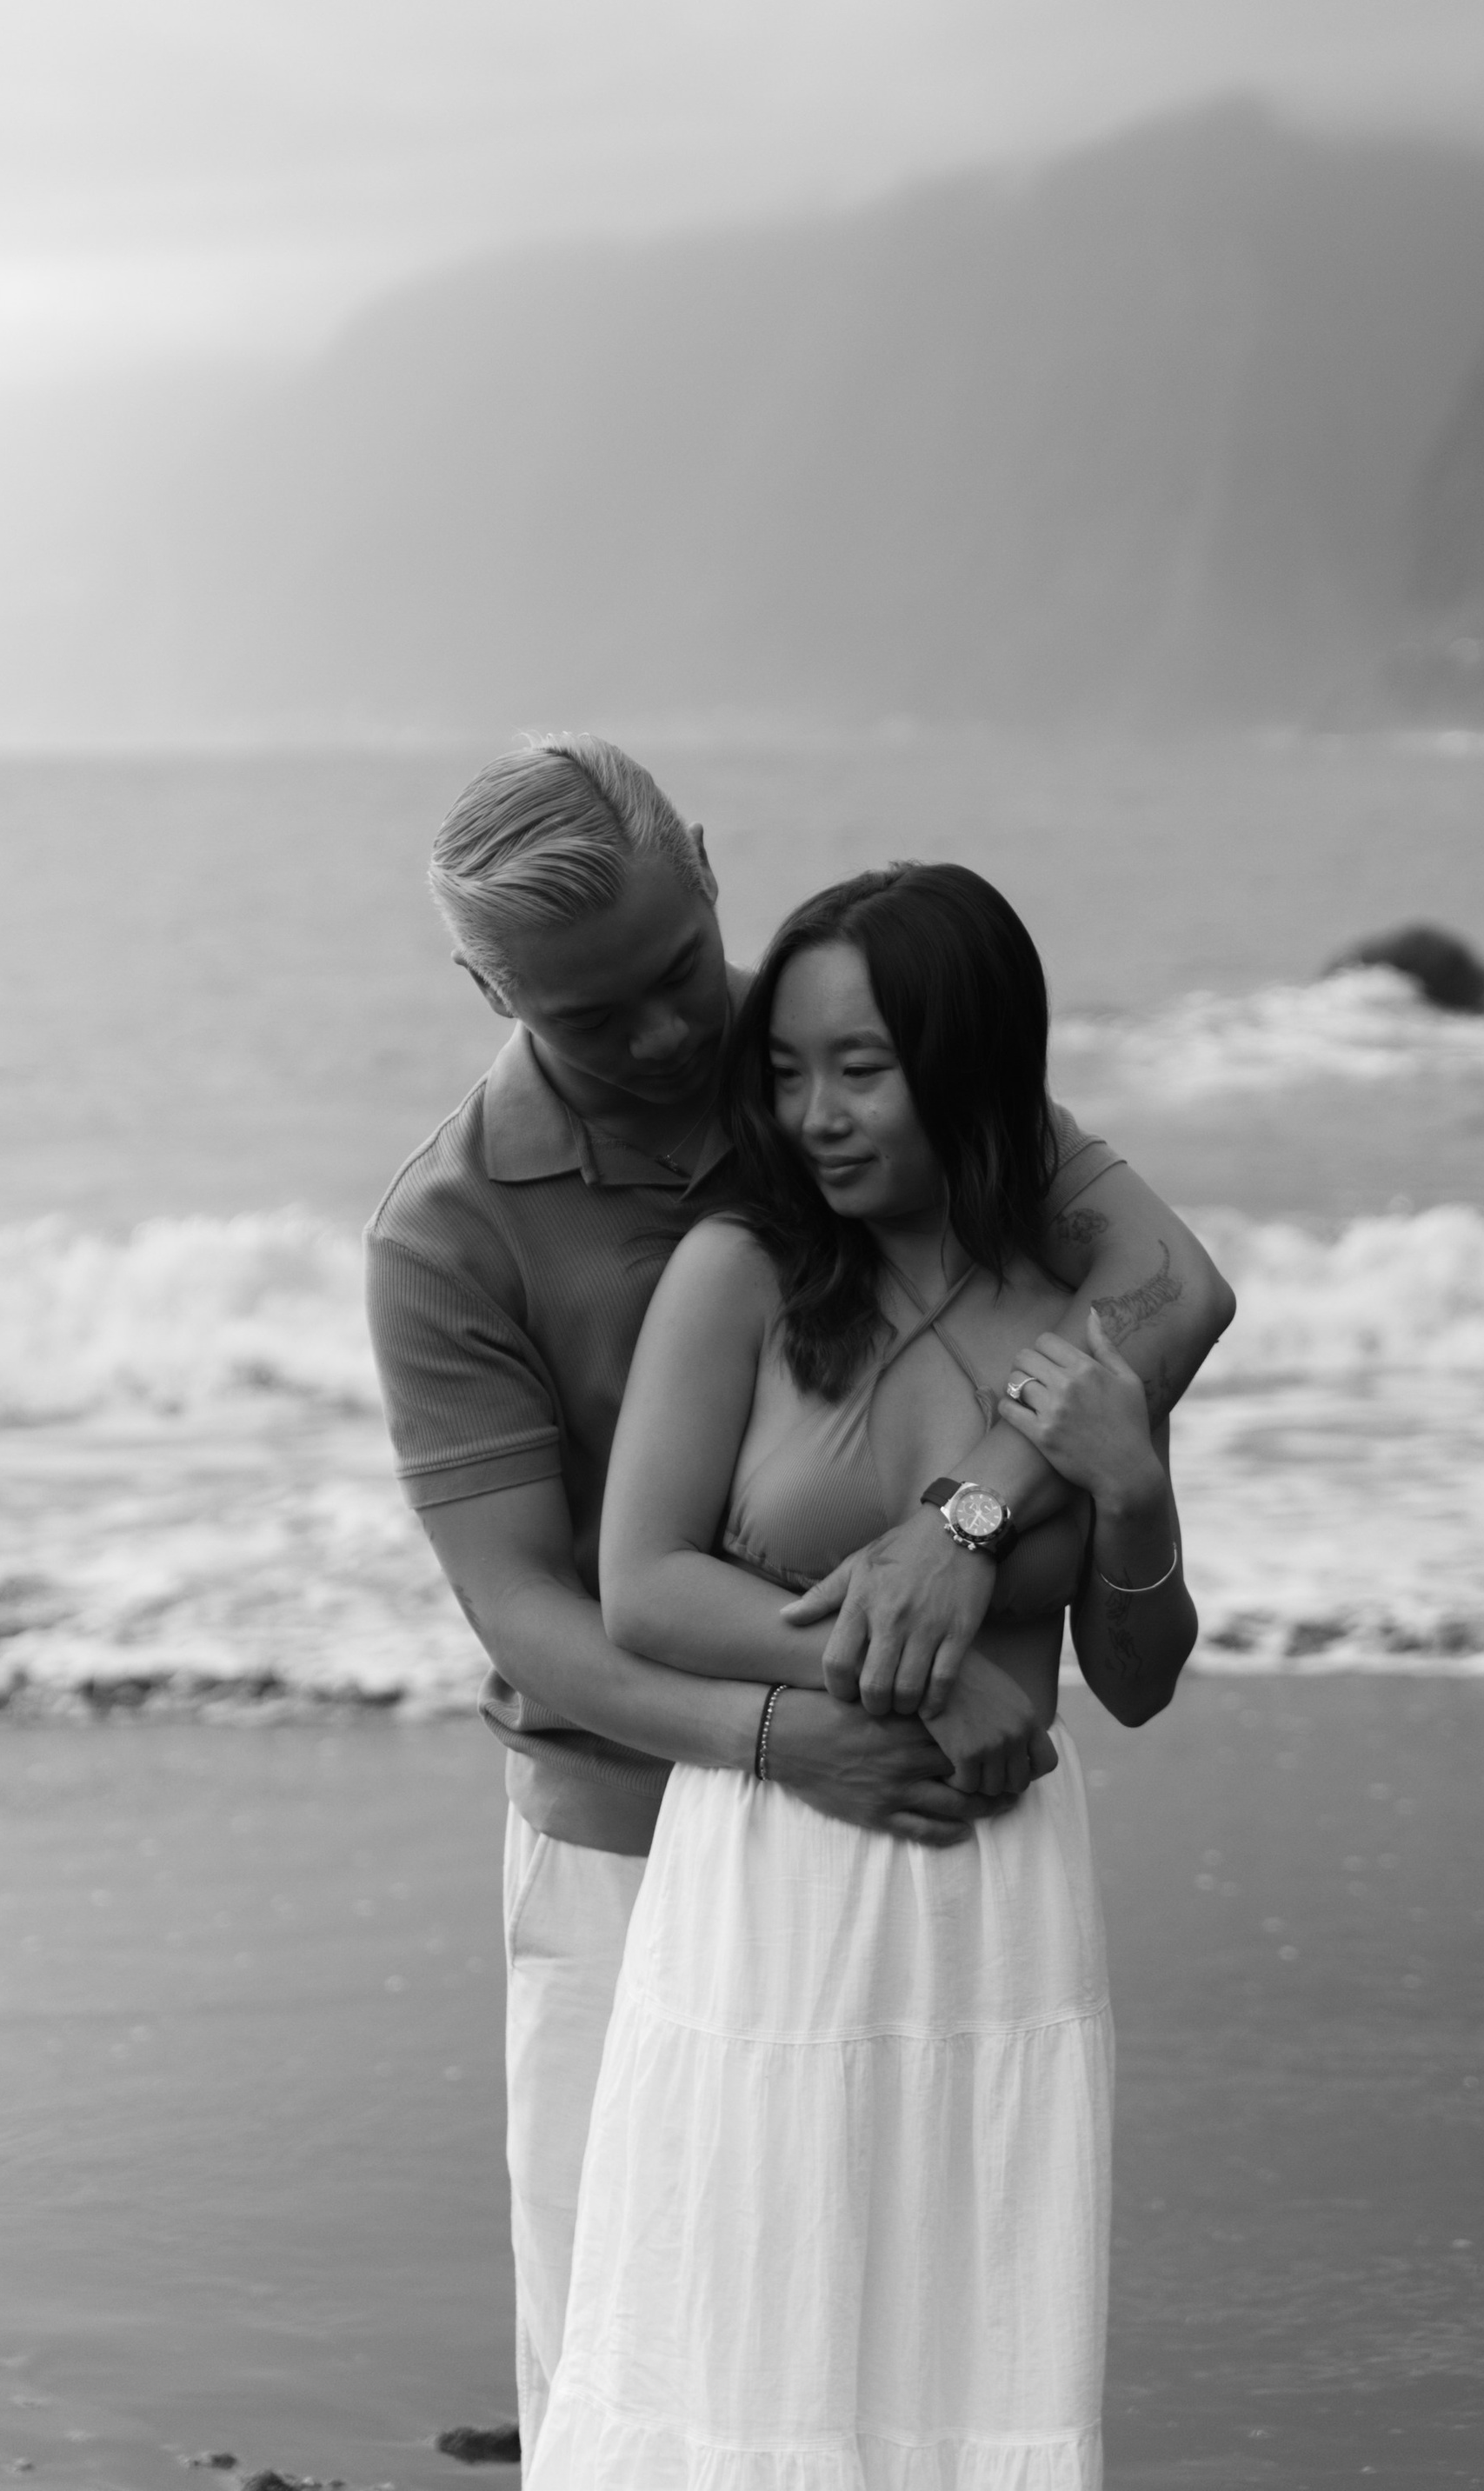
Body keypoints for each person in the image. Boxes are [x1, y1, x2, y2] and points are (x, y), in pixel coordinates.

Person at [364, 737, 1232, 2458]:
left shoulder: (858, 1041)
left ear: (702, 860)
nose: (671, 1039)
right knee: (636, 2384)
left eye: (680, 969)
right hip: (629, 1836)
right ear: (483, 988)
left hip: (949, 1848)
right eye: (590, 1016)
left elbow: (1163, 1287)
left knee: (937, 2365)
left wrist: (966, 1523)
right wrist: (809, 1724)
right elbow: (543, 1616)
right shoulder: (447, 1232)